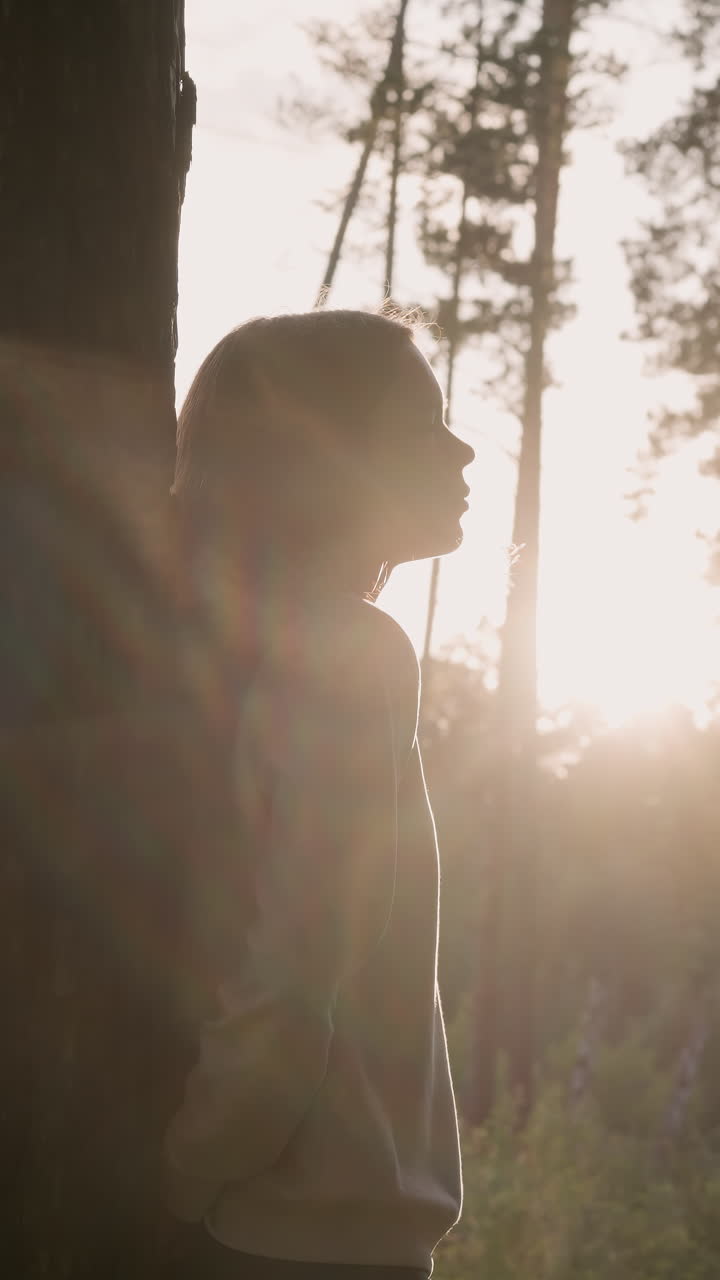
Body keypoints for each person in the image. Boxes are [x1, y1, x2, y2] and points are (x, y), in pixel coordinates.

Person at [164, 309, 475, 1279]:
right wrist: (187, 1170)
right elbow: (301, 958)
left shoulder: (286, 644)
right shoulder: (344, 648)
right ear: (330, 454)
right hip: (301, 1238)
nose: (461, 447)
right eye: (422, 422)